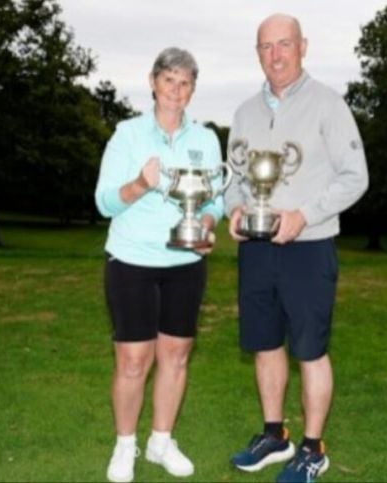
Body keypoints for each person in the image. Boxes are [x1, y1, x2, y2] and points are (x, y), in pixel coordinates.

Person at [224, 13, 369, 483]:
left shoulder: (328, 104)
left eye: (284, 44)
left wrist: (304, 214)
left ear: (302, 46)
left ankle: (312, 448)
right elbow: (233, 180)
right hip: (257, 250)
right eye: (266, 46)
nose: (276, 54)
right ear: (258, 53)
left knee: (309, 350)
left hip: (309, 246)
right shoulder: (245, 111)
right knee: (265, 346)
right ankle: (275, 436)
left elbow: (355, 177)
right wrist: (233, 212)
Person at [94, 47, 225, 483]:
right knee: (134, 360)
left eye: (185, 82)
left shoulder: (205, 139)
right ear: (153, 82)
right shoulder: (127, 135)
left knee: (176, 355)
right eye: (169, 79)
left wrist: (207, 221)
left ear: (192, 90)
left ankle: (161, 440)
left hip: (186, 261)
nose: (176, 90)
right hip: (131, 260)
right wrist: (139, 185)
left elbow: (217, 197)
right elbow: (104, 201)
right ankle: (125, 446)